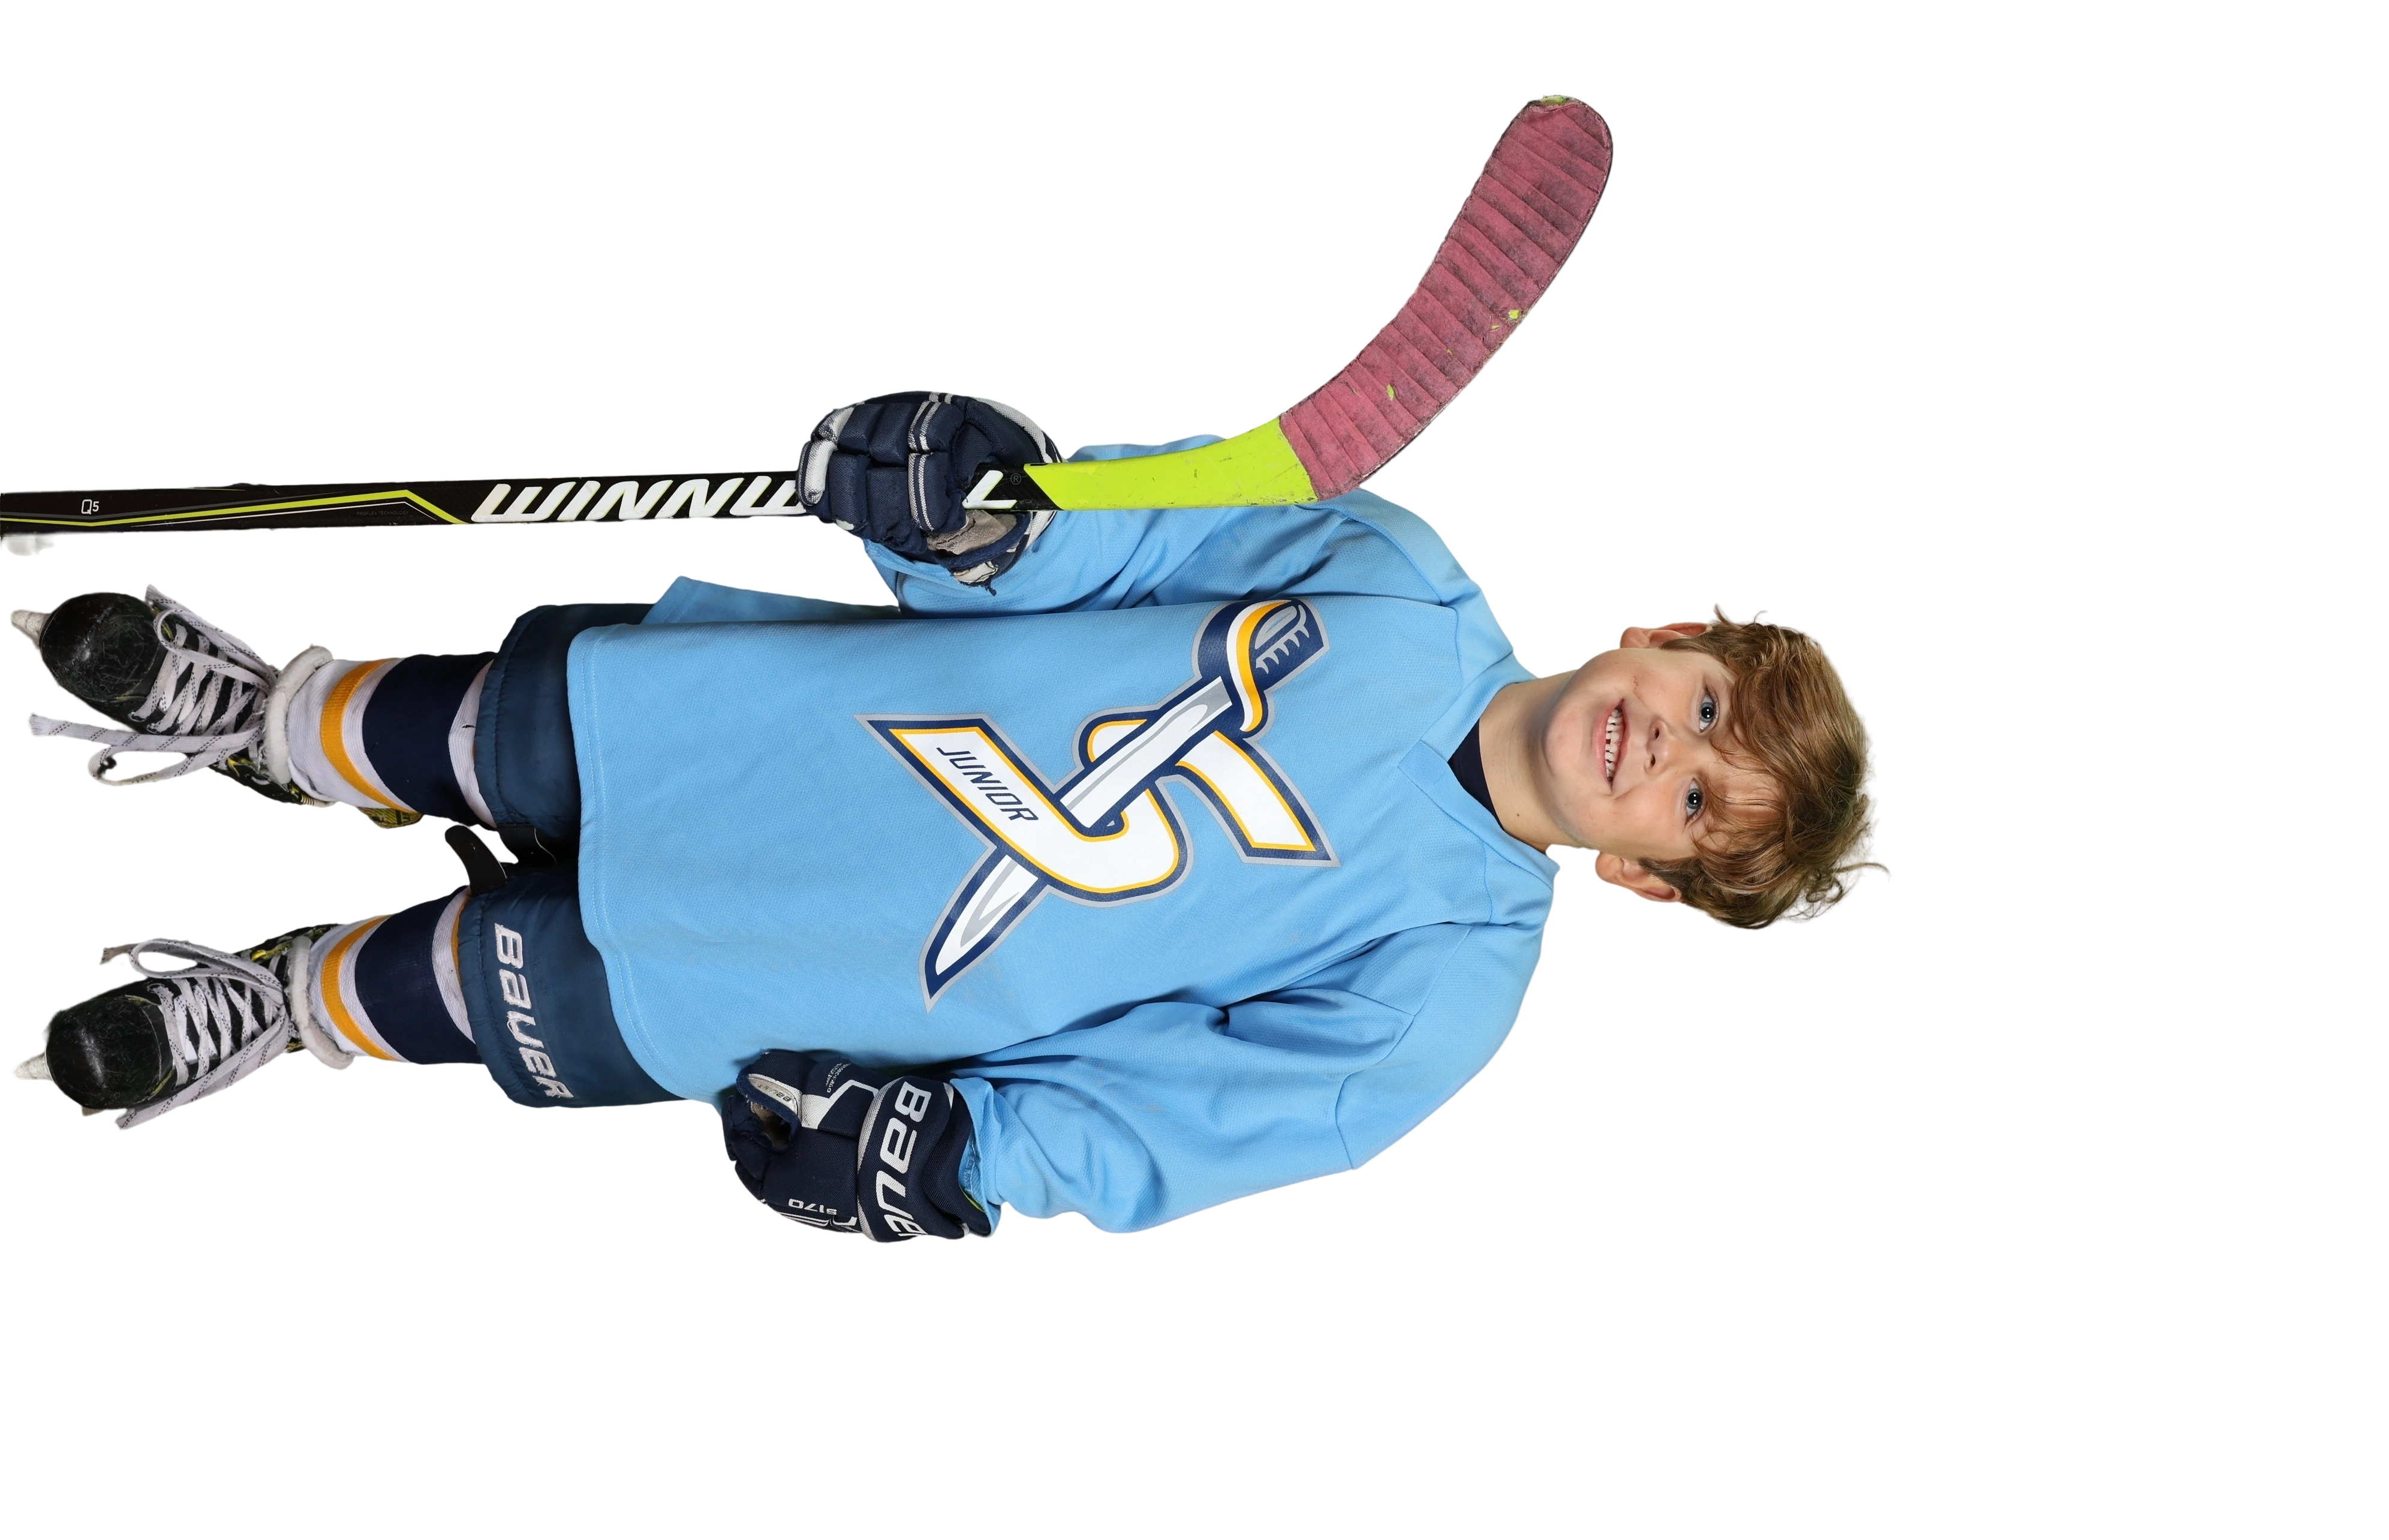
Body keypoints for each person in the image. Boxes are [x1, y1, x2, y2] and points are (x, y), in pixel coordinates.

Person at [8, 392, 1891, 1241]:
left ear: (1647, 878)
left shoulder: (1441, 996)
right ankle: (269, 720)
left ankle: (281, 1000)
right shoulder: (1388, 570)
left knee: (465, 984)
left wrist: (963, 1160)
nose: (1666, 750)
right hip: (754, 734)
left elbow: (1172, 1123)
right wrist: (985, 512)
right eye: (1706, 709)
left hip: (787, 974)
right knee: (456, 733)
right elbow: (1123, 536)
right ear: (1663, 638)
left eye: (1699, 804)